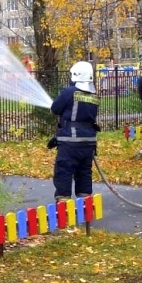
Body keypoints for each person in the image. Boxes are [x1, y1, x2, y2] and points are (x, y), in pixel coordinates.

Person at [50, 61, 100, 200]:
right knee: (84, 172)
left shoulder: (68, 92)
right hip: (89, 142)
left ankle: (63, 203)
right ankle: (85, 203)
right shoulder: (94, 95)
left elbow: (55, 109)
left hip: (70, 141)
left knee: (64, 171)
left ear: (76, 75)